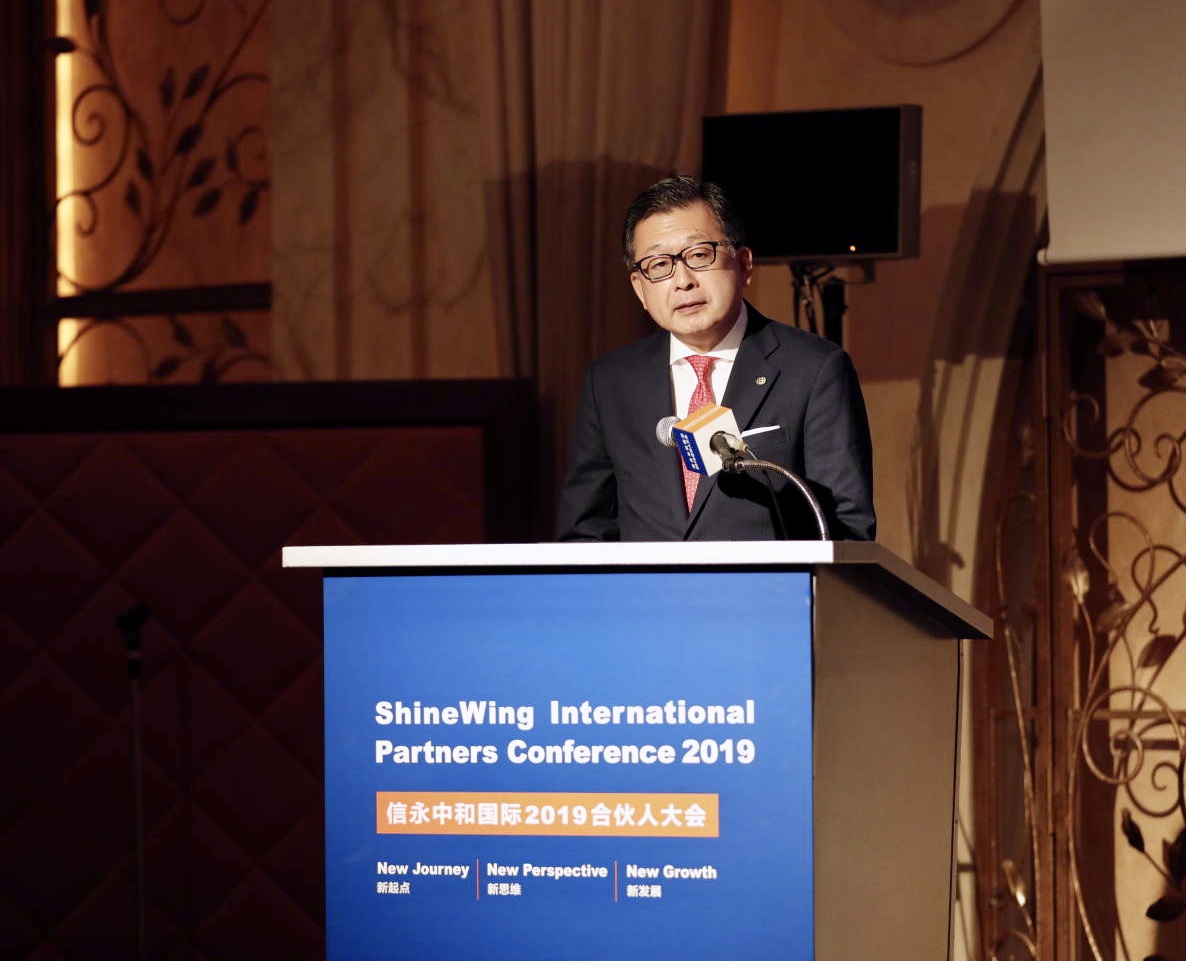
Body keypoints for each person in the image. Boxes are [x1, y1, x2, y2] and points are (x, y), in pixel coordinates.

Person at [556, 176, 875, 542]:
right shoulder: (610, 382)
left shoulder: (814, 369)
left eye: (698, 255)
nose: (682, 281)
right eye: (659, 265)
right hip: (647, 582)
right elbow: (585, 529)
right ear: (639, 289)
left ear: (744, 264)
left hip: (770, 581)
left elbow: (846, 527)